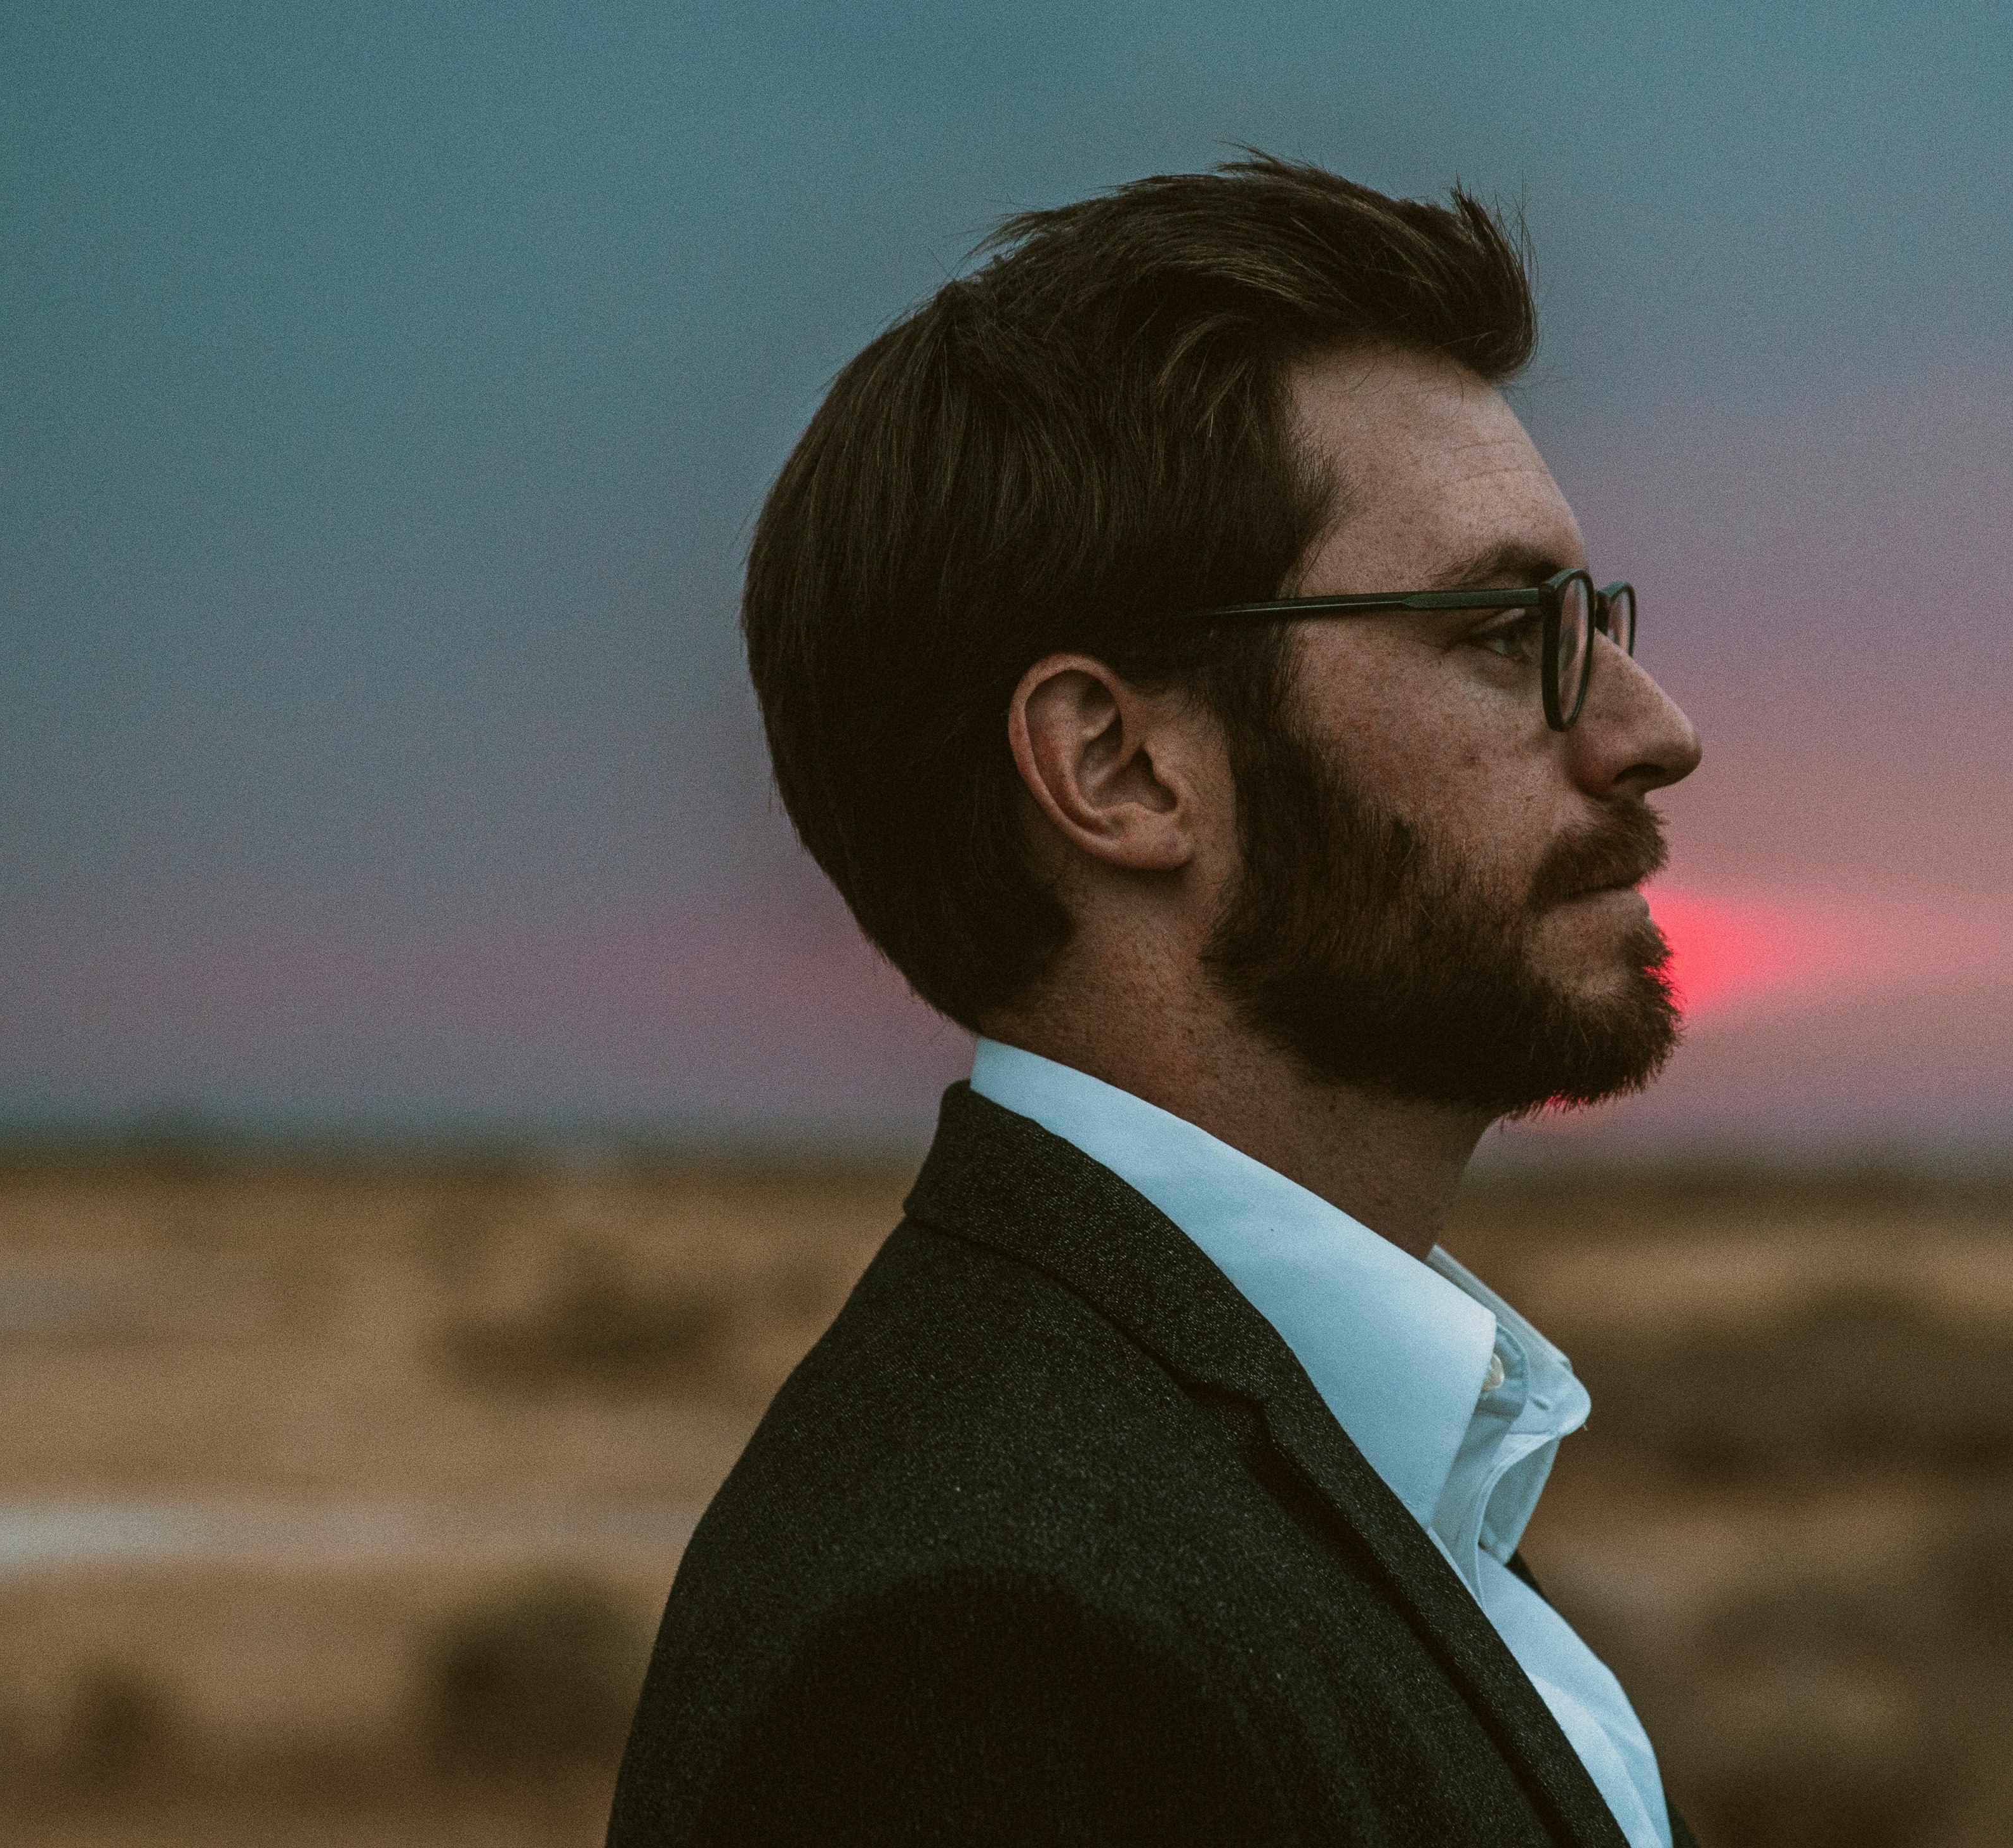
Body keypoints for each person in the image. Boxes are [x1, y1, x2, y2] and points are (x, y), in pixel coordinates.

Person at [609, 155, 1705, 1848]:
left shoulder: (1313, 1460)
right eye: (1504, 629)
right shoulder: (974, 1662)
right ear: (1117, 767)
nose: (1649, 725)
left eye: (1594, 619)